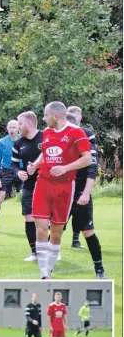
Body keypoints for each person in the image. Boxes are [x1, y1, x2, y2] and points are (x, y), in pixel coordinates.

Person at [28, 102, 92, 279]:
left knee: (56, 233)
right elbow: (45, 154)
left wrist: (66, 168)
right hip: (43, 183)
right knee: (41, 228)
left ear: (55, 116)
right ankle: (43, 273)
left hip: (64, 186)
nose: (44, 118)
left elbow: (87, 159)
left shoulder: (77, 132)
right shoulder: (47, 133)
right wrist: (35, 164)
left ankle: (48, 269)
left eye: (46, 115)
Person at [65, 107, 106, 279]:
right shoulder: (56, 142)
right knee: (53, 229)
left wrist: (85, 193)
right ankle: (47, 271)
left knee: (88, 231)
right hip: (62, 193)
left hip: (80, 193)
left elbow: (92, 171)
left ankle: (99, 269)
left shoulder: (86, 143)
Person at [12, 111, 44, 261]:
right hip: (28, 186)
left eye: (20, 124)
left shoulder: (45, 138)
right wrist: (18, 172)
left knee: (44, 220)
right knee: (29, 217)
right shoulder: (18, 143)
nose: (18, 127)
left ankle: (51, 249)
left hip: (46, 185)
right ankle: (34, 252)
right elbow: (13, 164)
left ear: (29, 124)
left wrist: (37, 167)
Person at [0, 119, 21, 231]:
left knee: (28, 196)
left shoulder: (23, 140)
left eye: (14, 127)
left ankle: (33, 223)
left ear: (19, 128)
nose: (12, 129)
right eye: (10, 127)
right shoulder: (2, 142)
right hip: (6, 171)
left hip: (20, 171)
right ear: (7, 128)